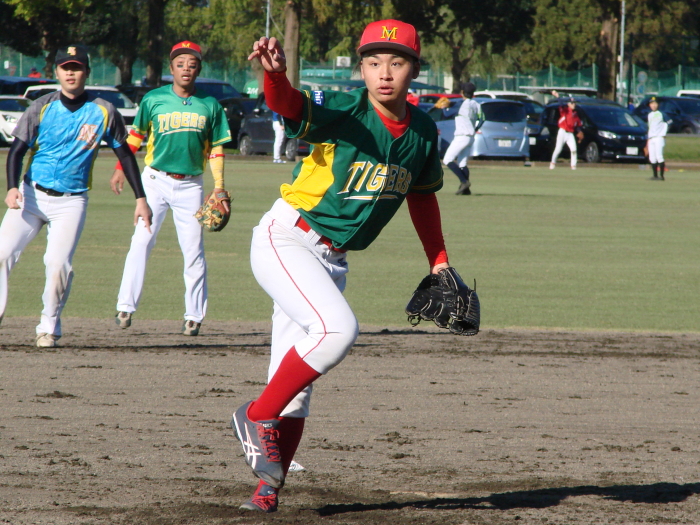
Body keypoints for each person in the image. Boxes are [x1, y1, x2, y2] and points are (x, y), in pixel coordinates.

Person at [232, 19, 456, 513]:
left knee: (297, 389)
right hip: (289, 237)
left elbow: (422, 197)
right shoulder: (347, 110)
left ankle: (266, 492)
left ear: (414, 69)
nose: (384, 73)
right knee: (337, 330)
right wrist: (275, 76)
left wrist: (439, 261)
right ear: (361, 69)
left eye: (396, 63)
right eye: (373, 62)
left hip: (332, 259)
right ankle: (254, 414)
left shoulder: (422, 132)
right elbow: (289, 106)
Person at [0, 45, 152, 348]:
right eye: (65, 67)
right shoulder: (41, 106)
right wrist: (12, 187)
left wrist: (140, 198)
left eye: (77, 67)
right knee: (1, 254)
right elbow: (17, 150)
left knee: (58, 265)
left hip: (71, 201)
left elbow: (125, 154)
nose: (71, 73)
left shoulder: (104, 110)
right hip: (30, 195)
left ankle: (48, 327)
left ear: (87, 72)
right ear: (56, 72)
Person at [111, 41, 231, 336]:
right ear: (171, 68)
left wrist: (219, 187)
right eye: (180, 64)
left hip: (191, 185)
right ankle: (125, 306)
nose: (186, 69)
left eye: (192, 64)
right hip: (155, 181)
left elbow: (216, 149)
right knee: (141, 241)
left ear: (198, 69)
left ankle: (194, 316)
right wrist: (119, 168)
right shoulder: (154, 99)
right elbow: (136, 136)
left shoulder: (210, 105)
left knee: (193, 250)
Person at [442, 81, 483, 195]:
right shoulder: (476, 104)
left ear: (462, 92)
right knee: (462, 163)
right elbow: (482, 119)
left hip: (462, 136)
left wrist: (444, 107)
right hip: (471, 136)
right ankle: (466, 190)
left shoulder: (461, 104)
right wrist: (475, 128)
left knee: (447, 159)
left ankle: (464, 182)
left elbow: (446, 114)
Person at [549, 90, 583, 170]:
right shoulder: (565, 111)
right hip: (562, 132)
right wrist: (557, 96)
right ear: (568, 104)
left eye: (574, 103)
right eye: (572, 103)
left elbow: (577, 125)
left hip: (570, 134)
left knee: (574, 149)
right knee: (558, 149)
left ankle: (573, 166)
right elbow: (560, 104)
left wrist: (579, 131)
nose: (574, 104)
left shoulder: (575, 114)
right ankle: (553, 163)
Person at [646, 96, 668, 180]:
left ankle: (661, 176)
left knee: (659, 156)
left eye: (655, 103)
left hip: (659, 137)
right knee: (652, 157)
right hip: (652, 138)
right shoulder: (650, 115)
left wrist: (663, 133)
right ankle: (655, 175)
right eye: (651, 103)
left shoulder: (661, 114)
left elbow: (669, 122)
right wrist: (648, 139)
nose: (653, 105)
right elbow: (650, 127)